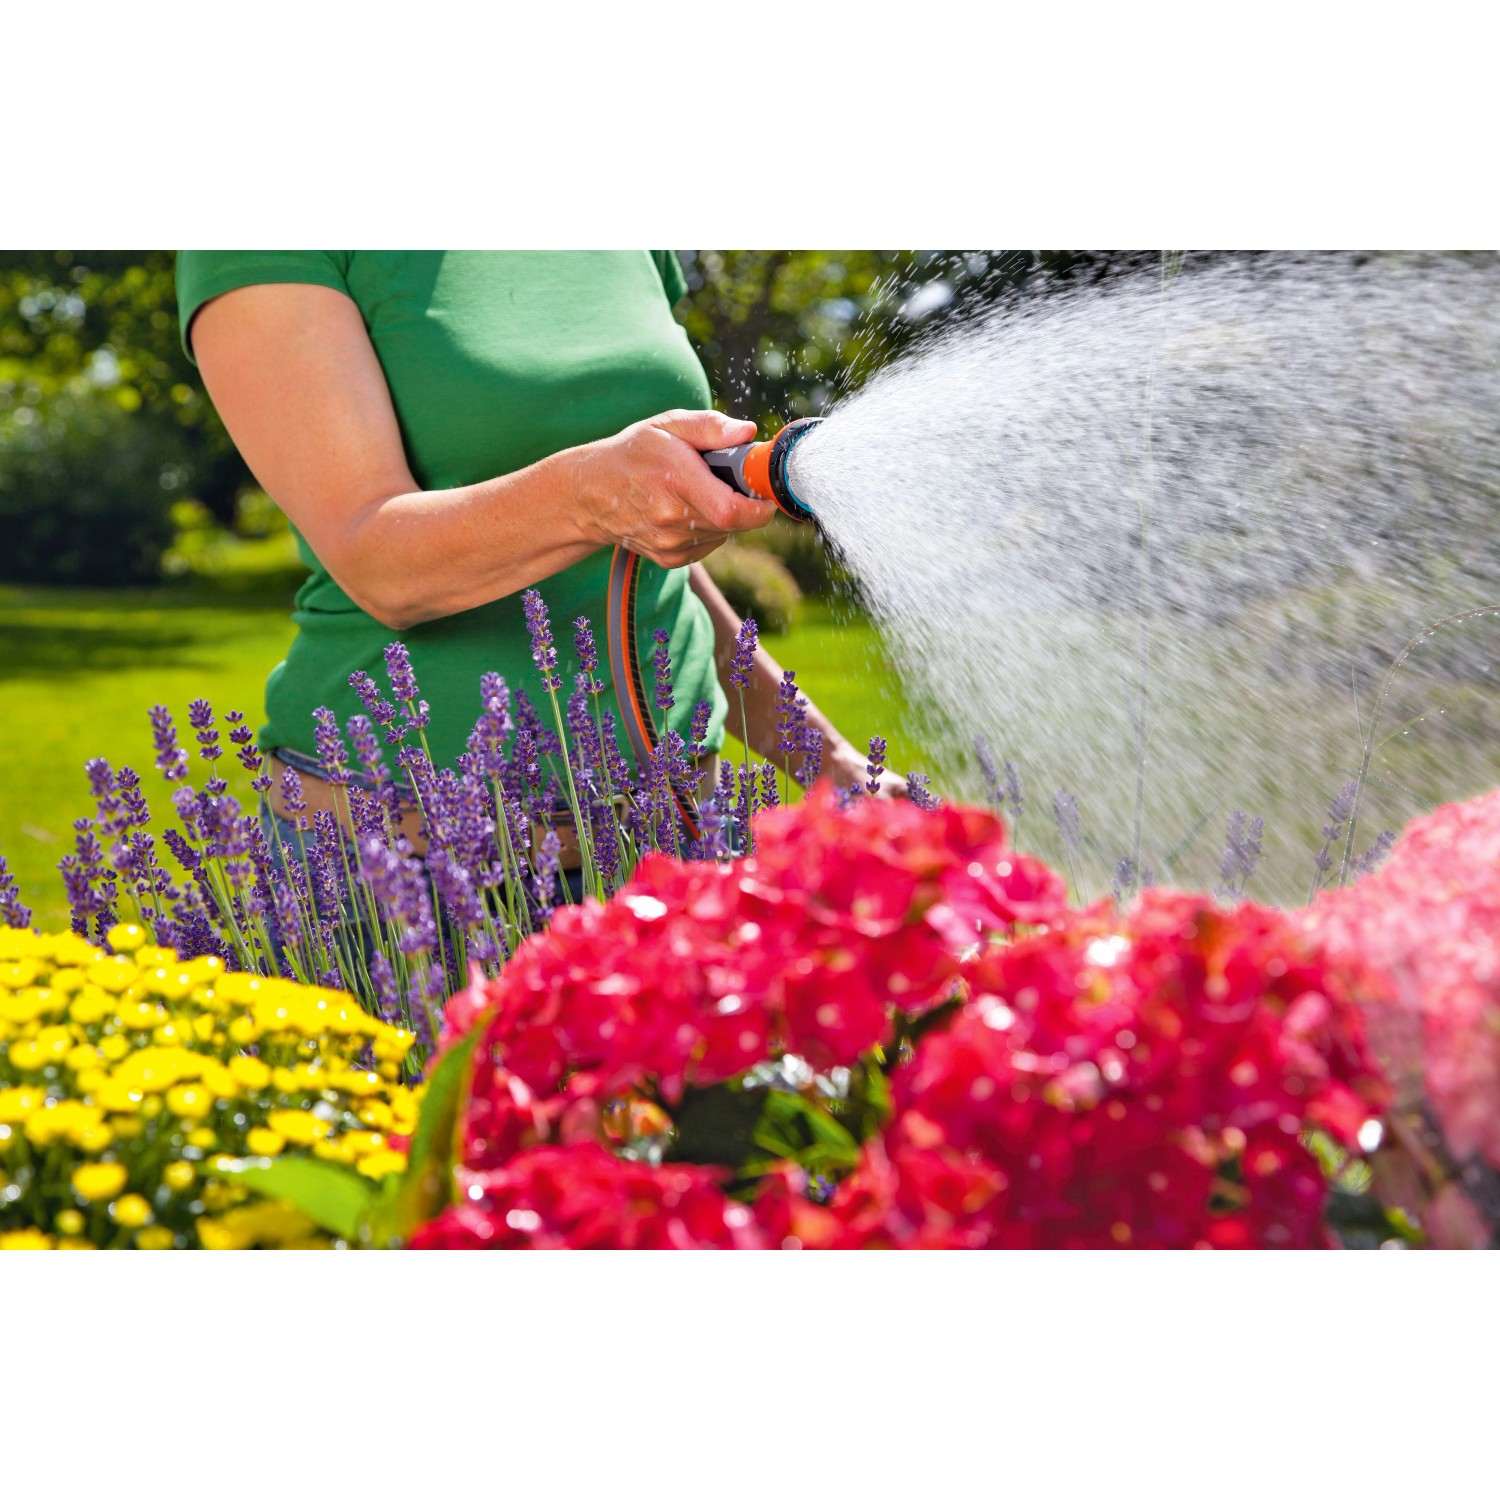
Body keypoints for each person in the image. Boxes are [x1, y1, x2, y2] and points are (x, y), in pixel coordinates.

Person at [176, 251, 894, 863]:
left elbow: (650, 571)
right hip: (410, 879)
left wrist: (825, 760)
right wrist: (589, 495)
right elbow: (379, 563)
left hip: (677, 848)